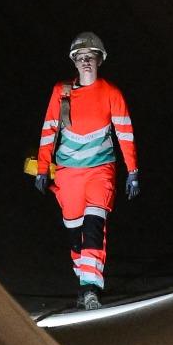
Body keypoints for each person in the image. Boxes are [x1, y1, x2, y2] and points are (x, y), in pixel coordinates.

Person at [31, 30, 139, 308]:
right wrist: (43, 168)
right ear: (74, 61)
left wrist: (133, 171)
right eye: (80, 57)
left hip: (100, 172)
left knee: (94, 226)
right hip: (68, 175)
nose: (85, 61)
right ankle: (84, 280)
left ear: (99, 60)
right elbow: (49, 130)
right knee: (75, 232)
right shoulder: (61, 92)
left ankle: (90, 287)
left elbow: (125, 132)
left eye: (90, 56)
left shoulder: (111, 93)